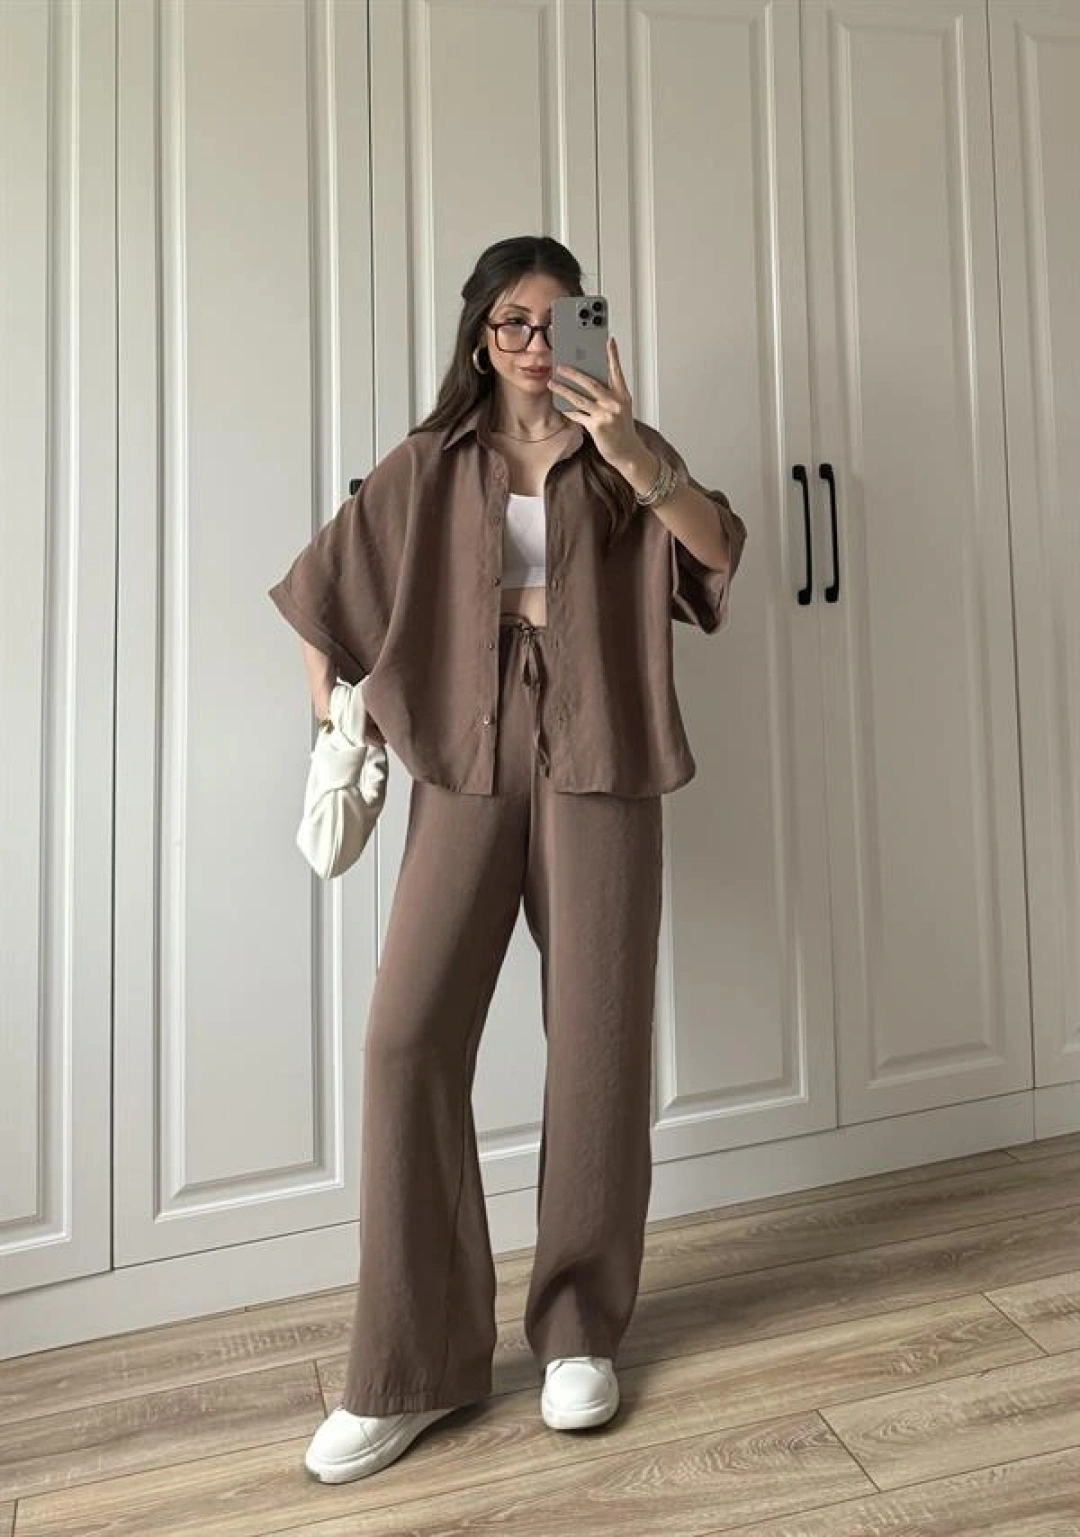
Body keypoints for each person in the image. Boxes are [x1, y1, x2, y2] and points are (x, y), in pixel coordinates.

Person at [268, 234, 747, 1484]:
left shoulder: (621, 454)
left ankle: (580, 1330)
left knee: (596, 1038)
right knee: (405, 1037)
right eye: (513, 323)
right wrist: (339, 722)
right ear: (480, 337)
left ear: (590, 326)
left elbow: (714, 551)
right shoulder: (430, 463)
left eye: (559, 321)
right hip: (467, 757)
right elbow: (320, 594)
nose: (536, 345)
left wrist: (633, 449)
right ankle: (411, 1365)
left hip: (601, 753)